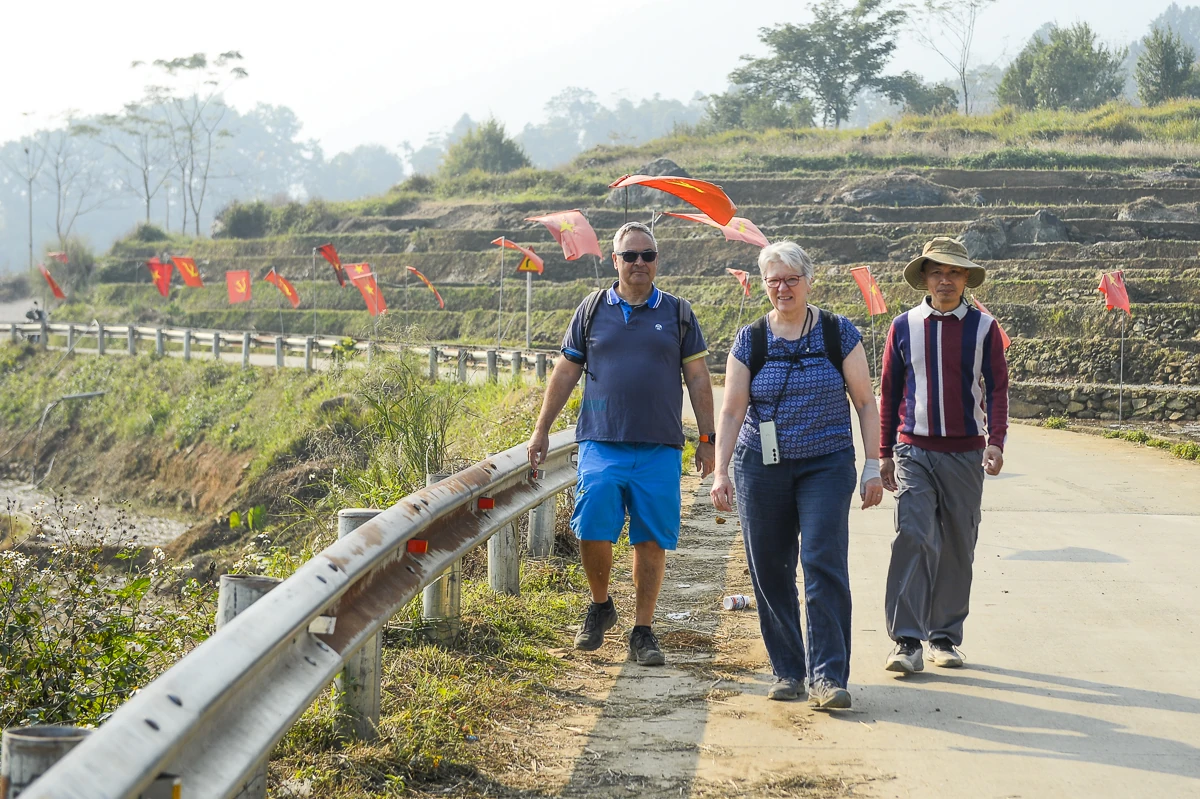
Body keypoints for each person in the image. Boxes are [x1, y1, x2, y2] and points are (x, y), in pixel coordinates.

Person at [527, 221, 716, 666]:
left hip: (659, 446)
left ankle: (643, 631)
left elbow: (699, 379)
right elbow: (566, 372)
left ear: (656, 261)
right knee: (592, 523)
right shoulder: (592, 309)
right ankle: (600, 605)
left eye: (647, 255)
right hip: (601, 440)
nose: (638, 263)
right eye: (629, 255)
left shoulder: (678, 313)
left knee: (650, 539)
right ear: (614, 260)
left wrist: (707, 440)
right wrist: (540, 429)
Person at [710, 241, 883, 709]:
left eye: (791, 279)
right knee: (770, 567)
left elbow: (866, 404)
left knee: (824, 561)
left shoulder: (837, 332)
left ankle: (828, 676)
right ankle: (788, 670)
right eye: (773, 280)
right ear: (764, 284)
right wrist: (720, 471)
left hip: (825, 463)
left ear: (809, 280)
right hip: (760, 466)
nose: (782, 288)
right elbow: (731, 412)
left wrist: (873, 465)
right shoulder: (750, 339)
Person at [879, 236, 1009, 673]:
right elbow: (889, 393)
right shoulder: (903, 326)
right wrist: (883, 454)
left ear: (967, 278)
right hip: (913, 448)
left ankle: (945, 637)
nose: (946, 279)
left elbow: (997, 388)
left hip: (965, 454)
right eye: (937, 271)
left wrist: (996, 440)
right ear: (925, 279)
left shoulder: (985, 329)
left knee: (957, 545)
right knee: (912, 536)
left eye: (954, 271)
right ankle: (906, 641)